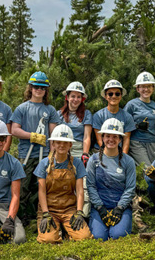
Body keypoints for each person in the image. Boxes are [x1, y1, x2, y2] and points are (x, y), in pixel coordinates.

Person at [11, 71, 60, 223]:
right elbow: (14, 130)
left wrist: (52, 154)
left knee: (39, 186)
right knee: (23, 186)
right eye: (36, 87)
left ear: (46, 91)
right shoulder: (22, 108)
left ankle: (34, 216)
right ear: (31, 88)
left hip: (43, 155)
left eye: (42, 88)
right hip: (26, 154)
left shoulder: (50, 110)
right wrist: (32, 136)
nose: (39, 90)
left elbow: (53, 135)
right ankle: (20, 216)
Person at [34, 124, 92, 243]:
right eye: (58, 142)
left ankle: (66, 230)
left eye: (65, 142)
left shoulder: (77, 164)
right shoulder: (44, 164)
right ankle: (58, 229)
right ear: (53, 144)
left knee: (84, 237)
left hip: (69, 209)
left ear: (70, 145)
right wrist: (45, 213)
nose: (62, 145)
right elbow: (41, 191)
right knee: (48, 240)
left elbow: (80, 191)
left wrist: (80, 212)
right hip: (49, 209)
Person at [86, 118, 136, 240]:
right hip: (100, 206)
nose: (111, 140)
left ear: (120, 139)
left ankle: (126, 220)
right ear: (102, 138)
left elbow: (130, 188)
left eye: (115, 136)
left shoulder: (128, 161)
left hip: (120, 207)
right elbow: (90, 186)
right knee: (98, 237)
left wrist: (120, 208)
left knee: (118, 236)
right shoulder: (93, 160)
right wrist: (100, 208)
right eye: (108, 136)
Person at [58, 81, 92, 217]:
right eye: (73, 96)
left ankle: (83, 215)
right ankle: (64, 215)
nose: (75, 99)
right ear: (67, 97)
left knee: (83, 183)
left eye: (78, 97)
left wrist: (85, 153)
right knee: (63, 182)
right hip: (62, 149)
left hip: (79, 149)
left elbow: (87, 136)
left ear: (82, 99)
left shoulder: (86, 114)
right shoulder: (59, 114)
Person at [124, 72, 155, 167]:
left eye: (149, 86)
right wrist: (137, 126)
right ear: (138, 89)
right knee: (147, 168)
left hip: (153, 142)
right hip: (137, 142)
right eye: (143, 87)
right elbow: (123, 124)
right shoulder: (131, 105)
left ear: (153, 88)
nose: (146, 89)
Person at [92, 79, 136, 154]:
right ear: (105, 96)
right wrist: (108, 154)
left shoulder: (127, 117)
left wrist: (123, 156)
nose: (114, 96)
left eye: (117, 94)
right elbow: (99, 140)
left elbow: (126, 139)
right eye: (110, 94)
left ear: (121, 96)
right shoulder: (98, 116)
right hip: (101, 151)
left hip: (120, 152)